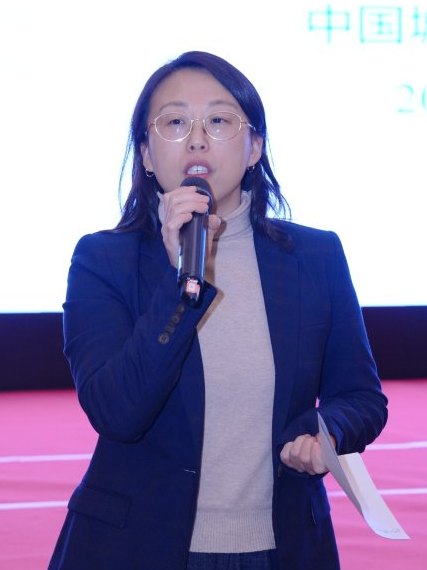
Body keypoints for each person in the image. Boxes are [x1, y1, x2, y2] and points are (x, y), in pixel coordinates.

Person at [47, 51, 388, 570]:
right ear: (145, 154)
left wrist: (325, 431)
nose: (197, 140)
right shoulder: (103, 260)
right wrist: (180, 280)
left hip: (282, 548)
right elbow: (117, 412)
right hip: (138, 547)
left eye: (220, 121)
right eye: (175, 122)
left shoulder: (315, 256)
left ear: (255, 148)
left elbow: (361, 398)